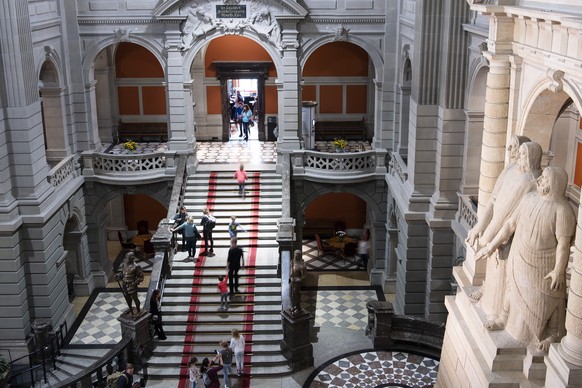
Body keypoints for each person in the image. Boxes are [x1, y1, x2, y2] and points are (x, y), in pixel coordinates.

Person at [475, 167, 575, 351]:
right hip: (520, 254)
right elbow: (510, 225)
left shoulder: (563, 210)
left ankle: (553, 334)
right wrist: (491, 246)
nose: (540, 180)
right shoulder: (528, 199)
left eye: (545, 178)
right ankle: (504, 319)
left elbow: (563, 244)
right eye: (542, 176)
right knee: (512, 288)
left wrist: (559, 270)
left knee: (549, 297)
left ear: (555, 183)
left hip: (544, 263)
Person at [467, 140, 542, 319]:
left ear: (531, 157)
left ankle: (499, 313)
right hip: (498, 228)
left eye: (520, 151)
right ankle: (487, 292)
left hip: (512, 235)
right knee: (494, 268)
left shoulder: (530, 181)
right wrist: (479, 226)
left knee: (504, 274)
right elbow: (493, 200)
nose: (513, 152)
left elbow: (509, 219)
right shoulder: (510, 169)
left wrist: (489, 240)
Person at [289, 249, 306, 315]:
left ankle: (298, 308)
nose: (295, 256)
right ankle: (294, 306)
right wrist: (290, 277)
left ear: (300, 256)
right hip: (292, 280)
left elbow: (304, 276)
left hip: (297, 282)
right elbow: (290, 270)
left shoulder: (302, 265)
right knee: (291, 294)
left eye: (297, 255)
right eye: (295, 255)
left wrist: (297, 279)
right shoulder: (292, 261)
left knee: (295, 295)